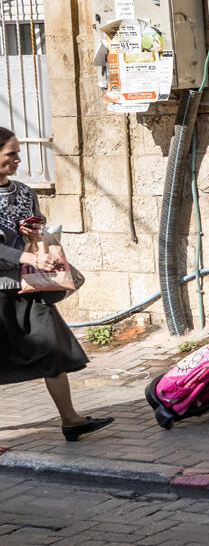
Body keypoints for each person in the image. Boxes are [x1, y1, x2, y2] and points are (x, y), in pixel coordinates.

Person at [0, 127, 113, 441]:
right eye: (11, 154)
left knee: (51, 348)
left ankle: (71, 420)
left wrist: (34, 236)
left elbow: (36, 225)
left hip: (29, 287)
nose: (18, 159)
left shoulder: (23, 192)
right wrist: (32, 259)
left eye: (18, 152)